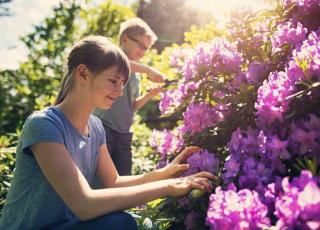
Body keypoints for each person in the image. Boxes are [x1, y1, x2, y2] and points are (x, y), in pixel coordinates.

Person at [0, 35, 216, 230]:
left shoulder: (95, 127)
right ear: (83, 73)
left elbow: (112, 182)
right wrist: (168, 186)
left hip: (66, 225)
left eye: (122, 84)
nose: (120, 91)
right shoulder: (44, 125)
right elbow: (84, 204)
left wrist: (165, 173)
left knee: (122, 222)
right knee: (121, 224)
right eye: (113, 81)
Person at [94, 17, 164, 175]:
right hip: (105, 130)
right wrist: (148, 70)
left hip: (124, 134)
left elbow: (132, 106)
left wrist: (148, 95)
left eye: (146, 48)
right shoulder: (113, 58)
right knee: (101, 180)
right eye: (140, 45)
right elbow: (122, 63)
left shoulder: (136, 74)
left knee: (124, 178)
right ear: (125, 39)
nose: (143, 51)